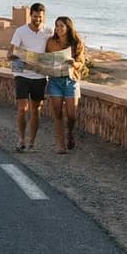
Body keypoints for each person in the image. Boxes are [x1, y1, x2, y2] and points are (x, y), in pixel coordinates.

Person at [7, 2, 52, 152]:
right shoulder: (20, 31)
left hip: (39, 76)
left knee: (36, 110)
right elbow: (10, 52)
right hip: (22, 74)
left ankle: (31, 142)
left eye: (40, 17)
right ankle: (21, 139)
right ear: (30, 15)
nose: (37, 19)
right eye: (35, 16)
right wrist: (12, 56)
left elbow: (53, 50)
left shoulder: (48, 32)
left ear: (43, 17)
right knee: (22, 109)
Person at [45, 16, 86, 153]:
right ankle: (60, 144)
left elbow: (81, 63)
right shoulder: (50, 42)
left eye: (61, 26)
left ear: (68, 27)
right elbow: (45, 59)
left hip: (71, 81)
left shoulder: (76, 42)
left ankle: (70, 134)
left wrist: (73, 63)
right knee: (57, 113)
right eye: (56, 26)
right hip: (55, 80)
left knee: (71, 115)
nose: (58, 29)